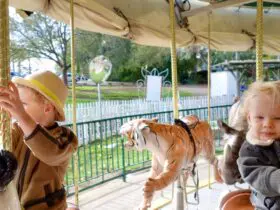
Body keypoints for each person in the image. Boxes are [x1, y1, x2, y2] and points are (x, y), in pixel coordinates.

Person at [0, 70, 78, 210]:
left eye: (23, 104)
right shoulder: (17, 129)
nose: (19, 108)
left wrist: (21, 115)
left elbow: (50, 152)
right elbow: (5, 144)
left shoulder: (65, 138)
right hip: (16, 204)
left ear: (47, 108)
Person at [237, 80, 280, 210]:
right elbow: (255, 173)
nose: (267, 124)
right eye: (260, 117)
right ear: (249, 118)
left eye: (278, 118)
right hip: (268, 203)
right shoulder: (250, 148)